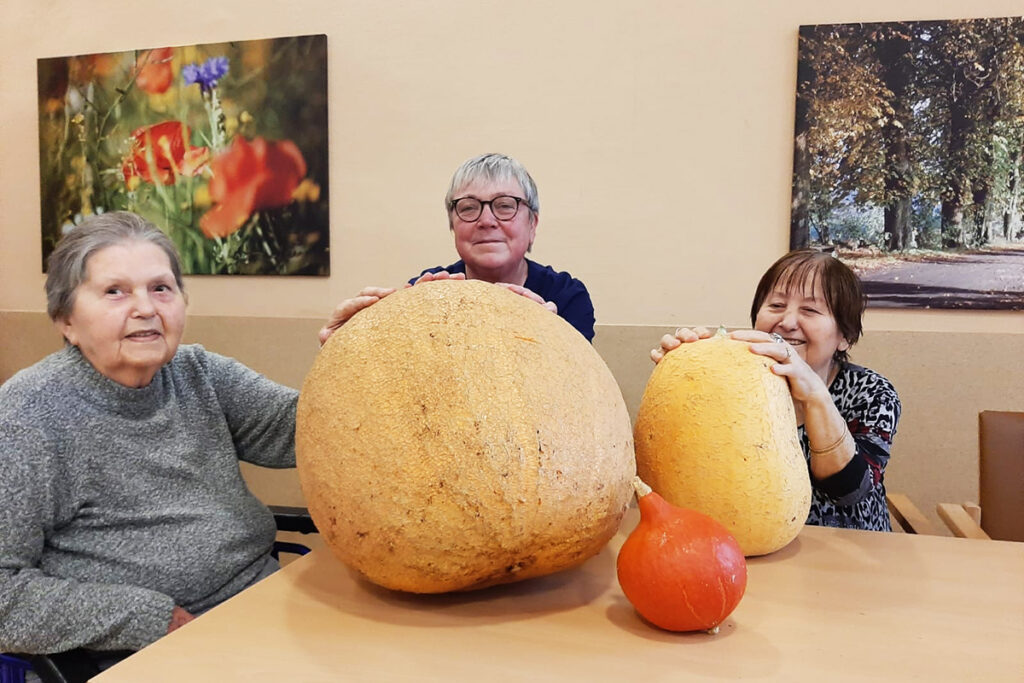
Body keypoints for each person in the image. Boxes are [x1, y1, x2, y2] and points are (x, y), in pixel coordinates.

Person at [0, 212, 362, 665]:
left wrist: (353, 353)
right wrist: (150, 617)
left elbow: (307, 432)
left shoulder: (199, 373)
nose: (146, 309)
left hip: (259, 609)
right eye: (115, 291)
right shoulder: (28, 415)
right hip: (150, 649)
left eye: (161, 288)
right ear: (65, 319)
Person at [652, 250, 901, 531]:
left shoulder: (872, 393)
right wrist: (680, 372)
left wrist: (815, 395)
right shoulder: (734, 380)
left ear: (844, 336)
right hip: (747, 542)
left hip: (849, 549)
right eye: (776, 305)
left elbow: (848, 490)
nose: (787, 322)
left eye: (810, 310)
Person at [410, 153, 595, 341]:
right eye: (468, 208)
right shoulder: (428, 293)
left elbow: (578, 369)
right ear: (452, 226)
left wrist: (548, 335)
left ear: (532, 224)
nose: (486, 220)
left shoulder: (567, 297)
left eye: (505, 205)